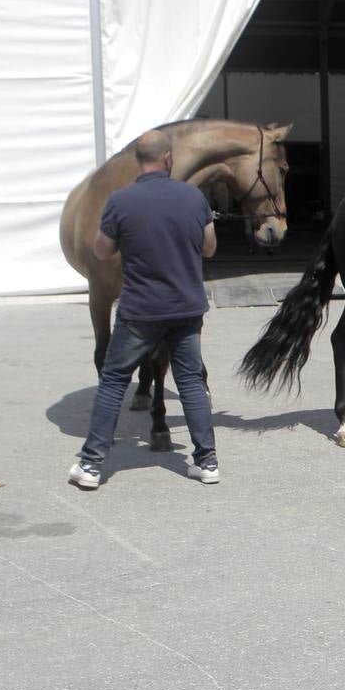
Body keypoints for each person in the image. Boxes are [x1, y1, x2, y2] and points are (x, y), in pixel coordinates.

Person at [68, 129, 221, 489]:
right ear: (168, 158)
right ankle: (207, 461)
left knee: (113, 381)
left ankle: (90, 466)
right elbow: (209, 248)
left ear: (139, 160)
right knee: (191, 385)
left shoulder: (120, 202)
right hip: (186, 309)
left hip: (140, 311)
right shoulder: (194, 197)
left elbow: (103, 252)